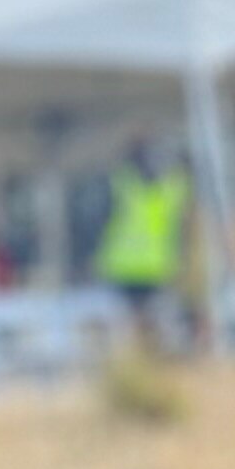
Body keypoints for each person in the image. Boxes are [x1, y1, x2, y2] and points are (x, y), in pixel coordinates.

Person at [97, 136, 190, 342]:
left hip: (144, 268)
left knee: (143, 325)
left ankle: (145, 355)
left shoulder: (125, 183)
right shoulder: (171, 186)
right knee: (140, 325)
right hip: (137, 268)